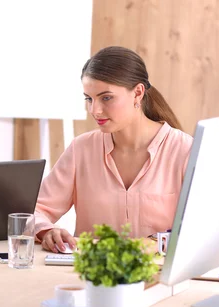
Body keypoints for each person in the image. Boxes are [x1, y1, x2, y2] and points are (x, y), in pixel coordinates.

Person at [35, 46, 193, 253]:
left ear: (137, 93)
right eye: (89, 99)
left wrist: (156, 242)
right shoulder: (81, 149)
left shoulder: (184, 150)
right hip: (93, 277)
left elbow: (203, 226)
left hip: (158, 277)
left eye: (106, 98)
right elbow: (36, 210)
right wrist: (47, 230)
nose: (95, 110)